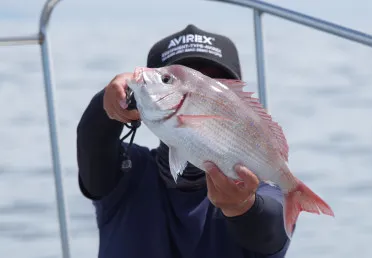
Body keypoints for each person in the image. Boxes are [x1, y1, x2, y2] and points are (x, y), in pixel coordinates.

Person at [77, 24, 291, 258]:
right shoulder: (128, 170)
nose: (197, 96)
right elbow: (92, 141)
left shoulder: (257, 187)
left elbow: (270, 233)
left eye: (213, 84)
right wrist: (106, 102)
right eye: (171, 78)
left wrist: (243, 207)